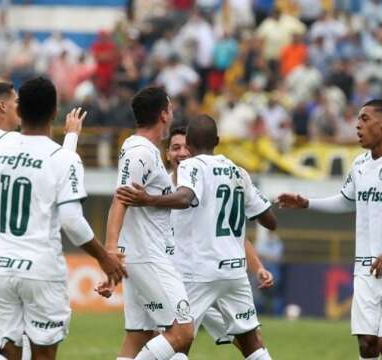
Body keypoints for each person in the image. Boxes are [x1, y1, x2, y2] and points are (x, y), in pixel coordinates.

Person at [0, 77, 126, 360]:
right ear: (54, 111)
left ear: (20, 111)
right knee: (42, 356)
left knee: (4, 353)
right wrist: (103, 257)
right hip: (40, 270)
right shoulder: (62, 158)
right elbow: (71, 220)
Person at [277, 100, 382, 360]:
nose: (357, 125)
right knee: (367, 346)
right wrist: (307, 203)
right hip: (366, 267)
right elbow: (347, 200)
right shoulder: (360, 164)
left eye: (364, 119)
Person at [116, 116, 276, 360]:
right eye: (174, 148)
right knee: (252, 342)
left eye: (183, 147)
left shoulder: (191, 169)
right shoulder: (238, 171)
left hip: (194, 273)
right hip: (233, 274)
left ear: (189, 145)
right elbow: (269, 221)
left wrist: (147, 199)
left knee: (178, 338)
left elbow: (185, 198)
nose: (181, 153)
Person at [104, 86, 194, 360]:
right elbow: (120, 199)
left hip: (141, 255)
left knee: (138, 335)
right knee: (182, 332)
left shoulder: (144, 150)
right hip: (148, 257)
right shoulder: (140, 151)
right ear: (164, 114)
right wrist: (109, 251)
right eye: (171, 108)